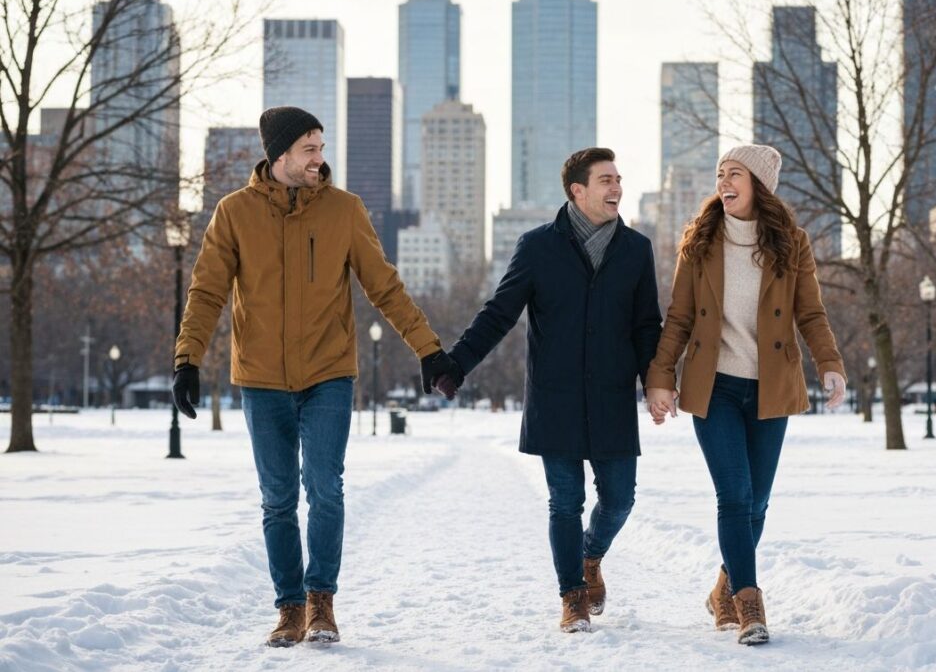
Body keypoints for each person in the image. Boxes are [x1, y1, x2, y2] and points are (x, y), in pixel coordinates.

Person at [170, 106, 460, 647]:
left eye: (322, 148)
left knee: (324, 488)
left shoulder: (344, 210)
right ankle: (290, 607)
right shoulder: (234, 214)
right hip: (260, 377)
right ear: (278, 154)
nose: (319, 159)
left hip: (328, 372)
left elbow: (385, 287)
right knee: (277, 498)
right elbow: (207, 291)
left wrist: (429, 350)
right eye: (310, 149)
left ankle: (321, 599)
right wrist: (188, 358)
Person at [442, 148, 661, 633]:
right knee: (565, 502)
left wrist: (657, 381)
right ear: (577, 191)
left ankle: (590, 556)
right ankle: (572, 596)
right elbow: (499, 312)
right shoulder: (537, 246)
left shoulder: (636, 249)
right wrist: (456, 364)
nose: (617, 188)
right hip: (555, 398)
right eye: (606, 180)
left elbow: (648, 324)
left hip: (611, 397)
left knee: (620, 499)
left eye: (619, 179)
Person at [645, 144, 846, 646]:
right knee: (733, 496)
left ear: (759, 183)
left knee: (757, 503)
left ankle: (723, 589)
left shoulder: (790, 243)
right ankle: (748, 604)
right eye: (720, 173)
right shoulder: (700, 242)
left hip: (771, 388)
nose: (723, 181)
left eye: (734, 173)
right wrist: (660, 376)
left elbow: (811, 314)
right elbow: (680, 318)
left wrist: (830, 364)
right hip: (715, 389)